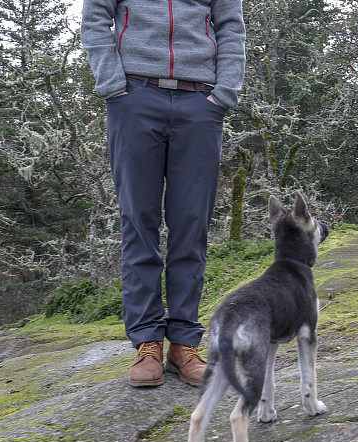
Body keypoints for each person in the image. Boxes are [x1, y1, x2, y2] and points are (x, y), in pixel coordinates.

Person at [80, 0, 246, 386]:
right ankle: (147, 342)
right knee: (139, 221)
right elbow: (95, 18)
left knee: (192, 223)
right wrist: (112, 86)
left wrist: (224, 94)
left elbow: (231, 27)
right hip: (134, 98)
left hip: (200, 102)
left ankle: (184, 343)